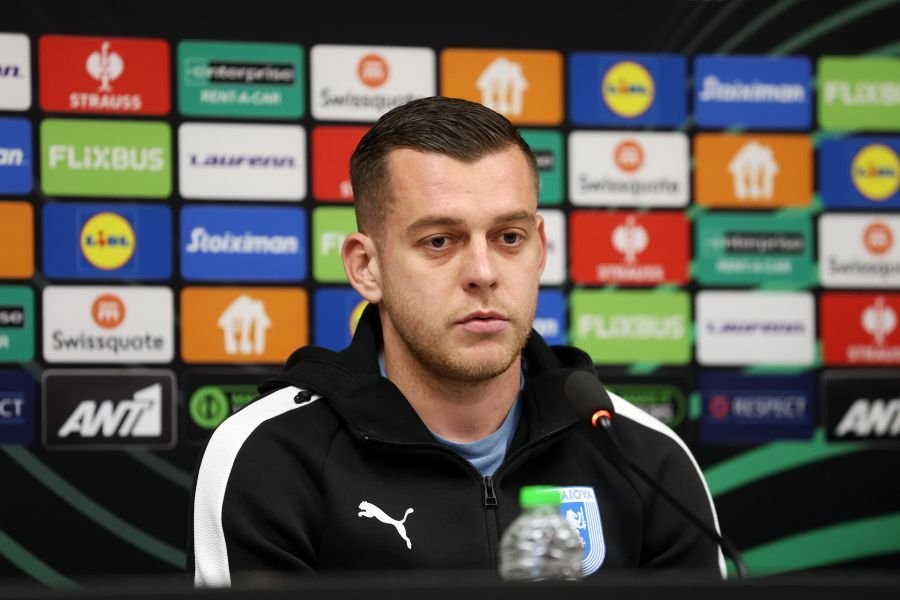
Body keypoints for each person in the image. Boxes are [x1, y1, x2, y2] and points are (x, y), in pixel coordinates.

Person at [189, 96, 725, 587]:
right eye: (439, 241)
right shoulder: (271, 456)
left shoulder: (645, 457)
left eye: (509, 237)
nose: (483, 273)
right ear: (366, 266)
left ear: (540, 250)